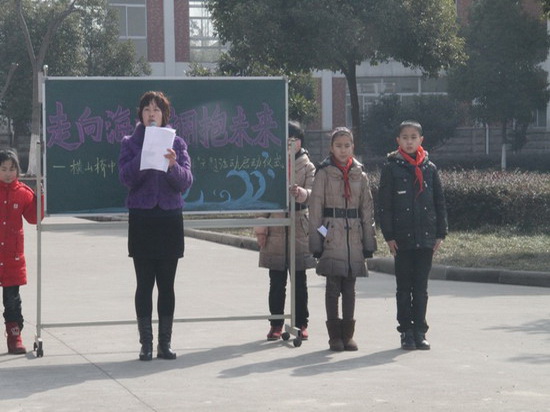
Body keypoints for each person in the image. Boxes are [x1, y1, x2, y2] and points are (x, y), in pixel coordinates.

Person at [118, 91, 193, 361]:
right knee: (144, 284)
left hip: (169, 218)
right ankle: (146, 343)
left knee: (167, 285)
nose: (152, 114)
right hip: (143, 218)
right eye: (147, 109)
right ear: (140, 114)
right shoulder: (130, 143)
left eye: (157, 110)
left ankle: (165, 343)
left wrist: (172, 165)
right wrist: (144, 156)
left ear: (164, 115)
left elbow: (186, 181)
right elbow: (126, 178)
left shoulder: (177, 143)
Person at [378, 120, 448, 351]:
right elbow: (385, 206)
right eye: (405, 137)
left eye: (413, 137)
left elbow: (439, 202)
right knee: (403, 288)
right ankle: (406, 332)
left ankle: (420, 331)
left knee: (420, 288)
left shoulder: (430, 168)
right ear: (398, 141)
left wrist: (440, 233)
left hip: (426, 237)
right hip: (402, 239)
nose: (409, 142)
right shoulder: (391, 168)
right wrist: (389, 236)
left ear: (421, 140)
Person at [309, 127, 377, 351]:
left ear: (353, 147)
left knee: (350, 287)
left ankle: (348, 335)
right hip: (331, 234)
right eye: (338, 146)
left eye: (347, 145)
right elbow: (315, 210)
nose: (343, 150)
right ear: (331, 148)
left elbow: (367, 210)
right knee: (332, 287)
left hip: (354, 236)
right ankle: (334, 336)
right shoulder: (323, 173)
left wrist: (368, 242)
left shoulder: (360, 174)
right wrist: (321, 238)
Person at [254, 121, 316, 341]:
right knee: (276, 281)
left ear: (301, 142)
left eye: (295, 139)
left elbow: (314, 193)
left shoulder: (308, 166)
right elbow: (262, 198)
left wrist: (301, 193)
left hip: (299, 225)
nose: (291, 143)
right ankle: (276, 324)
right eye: (287, 139)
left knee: (299, 280)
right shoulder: (272, 164)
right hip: (276, 226)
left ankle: (301, 323)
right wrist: (261, 228)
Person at [0, 149, 43, 354]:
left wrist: (40, 197)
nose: (8, 173)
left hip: (12, 257)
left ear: (18, 170)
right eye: (3, 169)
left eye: (12, 169)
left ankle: (14, 336)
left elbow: (34, 218)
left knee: (12, 299)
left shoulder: (24, 193)